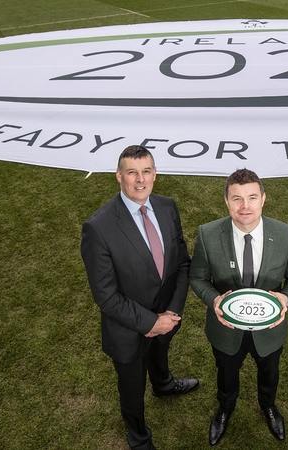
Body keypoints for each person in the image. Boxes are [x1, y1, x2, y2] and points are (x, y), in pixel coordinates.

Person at [81, 145, 199, 450]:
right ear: (118, 176)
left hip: (167, 317)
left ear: (155, 174)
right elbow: (106, 296)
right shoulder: (98, 228)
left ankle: (163, 385)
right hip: (128, 330)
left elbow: (182, 263)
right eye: (132, 172)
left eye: (146, 171)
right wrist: (150, 323)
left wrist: (172, 313)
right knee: (132, 389)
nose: (140, 179)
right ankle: (138, 437)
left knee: (160, 355)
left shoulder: (167, 206)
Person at [190, 168, 288, 446]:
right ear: (226, 201)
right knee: (226, 373)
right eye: (237, 198)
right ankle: (225, 408)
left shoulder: (286, 234)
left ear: (263, 199)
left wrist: (286, 298)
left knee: (269, 372)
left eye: (252, 197)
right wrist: (214, 300)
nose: (245, 206)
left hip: (270, 331)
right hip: (225, 330)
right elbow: (197, 278)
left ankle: (268, 405)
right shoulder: (207, 234)